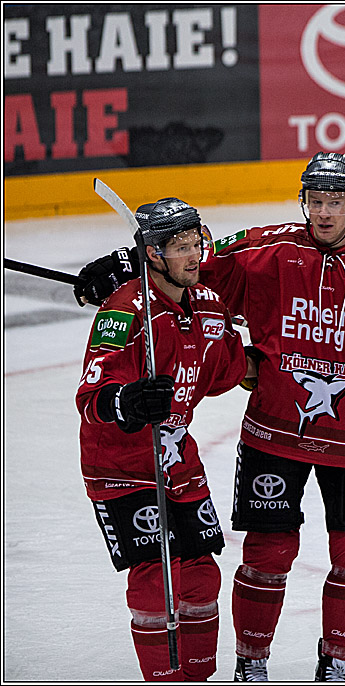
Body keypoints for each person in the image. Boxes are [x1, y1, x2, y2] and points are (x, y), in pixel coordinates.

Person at [75, 152, 345, 681]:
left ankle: (336, 663)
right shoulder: (264, 248)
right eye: (315, 201)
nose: (323, 212)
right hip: (275, 430)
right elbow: (193, 267)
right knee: (267, 552)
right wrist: (125, 263)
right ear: (304, 202)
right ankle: (252, 664)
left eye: (335, 202)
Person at [76, 198, 249, 680]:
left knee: (199, 575)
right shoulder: (123, 311)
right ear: (152, 254)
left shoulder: (209, 304)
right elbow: (90, 396)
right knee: (155, 579)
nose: (194, 255)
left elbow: (228, 369)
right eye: (180, 247)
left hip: (175, 457)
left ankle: (198, 677)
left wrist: (271, 365)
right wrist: (126, 402)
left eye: (196, 242)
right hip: (120, 464)